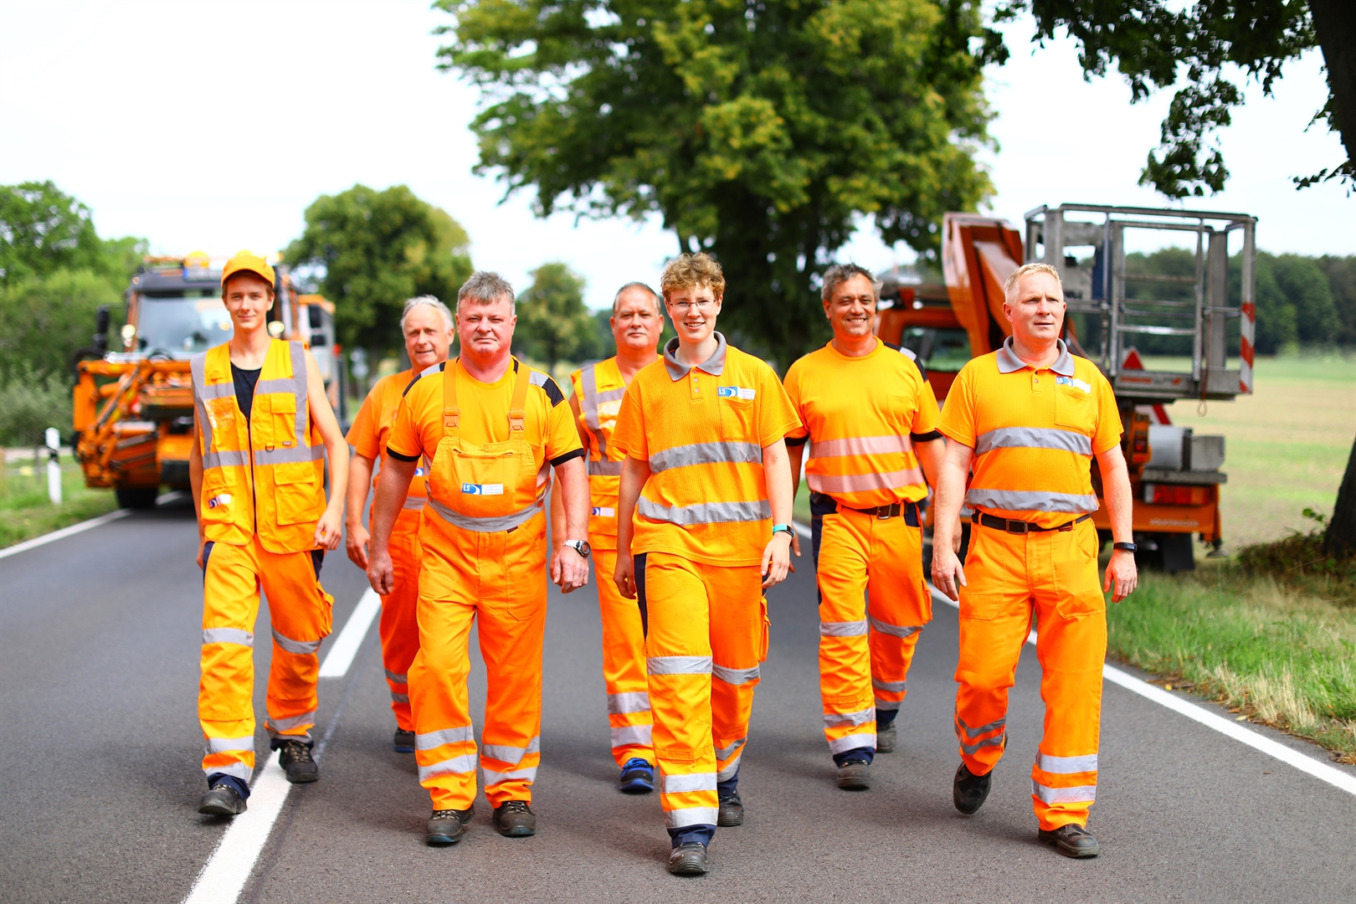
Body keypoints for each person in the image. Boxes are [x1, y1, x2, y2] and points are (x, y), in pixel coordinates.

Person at [366, 271, 590, 846]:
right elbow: (392, 469)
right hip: (444, 552)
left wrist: (574, 544)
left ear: (512, 324)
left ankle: (512, 790)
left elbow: (571, 469)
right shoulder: (426, 390)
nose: (483, 328)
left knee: (514, 676)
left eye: (495, 318)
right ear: (457, 325)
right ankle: (448, 795)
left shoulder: (543, 392)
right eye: (473, 319)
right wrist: (381, 542)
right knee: (438, 668)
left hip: (517, 552)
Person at [931, 262, 1138, 859]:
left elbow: (1114, 466)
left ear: (1063, 310)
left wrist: (1123, 546)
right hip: (994, 548)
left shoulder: (1091, 382)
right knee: (983, 680)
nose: (1045, 308)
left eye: (1054, 299)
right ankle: (978, 758)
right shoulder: (976, 379)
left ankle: (1063, 814)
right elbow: (952, 466)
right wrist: (944, 544)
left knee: (1075, 686)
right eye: (1032, 300)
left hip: (1072, 547)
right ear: (1009, 312)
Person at [612, 252, 801, 877]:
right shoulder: (646, 386)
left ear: (719, 303)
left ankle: (724, 769)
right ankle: (689, 823)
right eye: (681, 301)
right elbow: (633, 473)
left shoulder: (754, 375)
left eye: (703, 300)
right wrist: (621, 552)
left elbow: (777, 460)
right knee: (677, 673)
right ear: (669, 308)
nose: (692, 311)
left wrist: (781, 531)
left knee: (736, 674)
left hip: (744, 549)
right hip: (668, 544)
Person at [190, 250, 349, 817]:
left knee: (299, 639)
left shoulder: (298, 362)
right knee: (225, 648)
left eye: (255, 295)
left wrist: (335, 511)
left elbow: (337, 443)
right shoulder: (204, 368)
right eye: (236, 295)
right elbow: (200, 455)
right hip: (230, 530)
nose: (246, 304)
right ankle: (227, 773)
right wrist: (203, 527)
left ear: (269, 301)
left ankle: (292, 730)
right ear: (226, 301)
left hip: (295, 528)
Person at [783, 264, 947, 791]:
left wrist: (948, 520)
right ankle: (852, 743)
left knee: (900, 624)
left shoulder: (906, 369)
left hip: (901, 521)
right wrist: (779, 523)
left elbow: (932, 448)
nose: (857, 307)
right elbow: (787, 455)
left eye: (865, 299)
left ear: (876, 305)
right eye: (846, 300)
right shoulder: (804, 372)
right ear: (827, 308)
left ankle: (886, 706)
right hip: (837, 520)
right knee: (842, 629)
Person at [549, 282, 665, 794]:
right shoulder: (588, 385)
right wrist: (566, 539)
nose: (635, 321)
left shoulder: (681, 377)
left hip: (675, 528)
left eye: (644, 313)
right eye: (625, 314)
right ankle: (637, 751)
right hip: (608, 530)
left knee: (677, 640)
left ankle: (681, 738)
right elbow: (564, 465)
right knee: (626, 641)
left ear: (660, 323)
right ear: (613, 324)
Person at [345, 296, 455, 752]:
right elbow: (360, 457)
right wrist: (356, 523)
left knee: (445, 637)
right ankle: (408, 716)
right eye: (414, 332)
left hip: (454, 531)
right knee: (400, 630)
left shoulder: (468, 387)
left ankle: (441, 719)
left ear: (450, 335)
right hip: (401, 532)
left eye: (431, 331)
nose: (422, 340)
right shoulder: (386, 392)